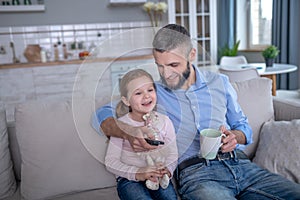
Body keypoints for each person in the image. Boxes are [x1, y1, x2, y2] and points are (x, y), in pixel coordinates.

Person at [93, 24, 300, 199]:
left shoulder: (220, 83)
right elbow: (101, 114)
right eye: (160, 66)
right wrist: (127, 133)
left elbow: (243, 128)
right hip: (197, 175)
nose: (166, 74)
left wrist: (235, 137)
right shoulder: (152, 93)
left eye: (173, 64)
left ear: (192, 54)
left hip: (243, 167)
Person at [104, 69, 178, 200]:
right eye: (138, 93)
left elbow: (172, 153)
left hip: (157, 176)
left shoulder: (165, 121)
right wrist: (137, 173)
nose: (146, 96)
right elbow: (110, 162)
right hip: (130, 179)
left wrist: (168, 169)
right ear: (126, 101)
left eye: (150, 90)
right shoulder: (122, 125)